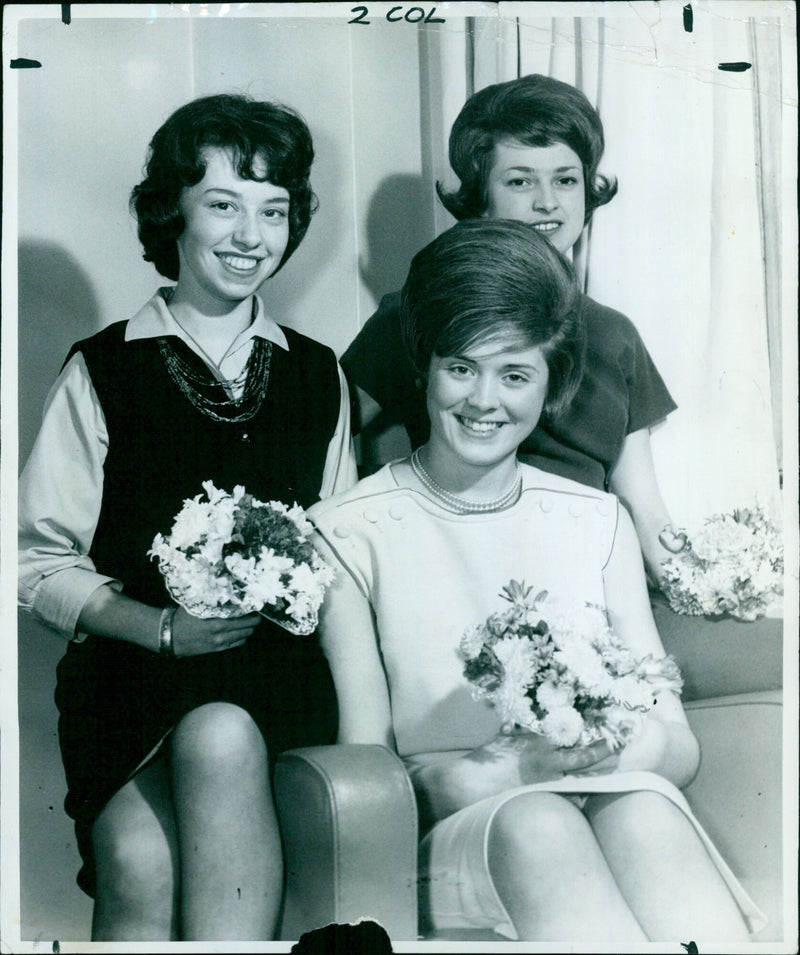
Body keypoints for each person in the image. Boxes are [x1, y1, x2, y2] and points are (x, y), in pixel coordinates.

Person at [311, 220, 764, 944]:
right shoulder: (346, 531)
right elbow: (372, 786)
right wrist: (514, 770)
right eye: (461, 366)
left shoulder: (598, 520)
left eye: (515, 373)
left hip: (599, 791)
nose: (483, 399)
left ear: (553, 383)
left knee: (646, 811)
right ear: (423, 366)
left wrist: (604, 750)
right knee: (539, 820)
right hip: (462, 828)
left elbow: (677, 748)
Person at [18, 93, 356, 941]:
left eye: (273, 209)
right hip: (132, 675)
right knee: (137, 862)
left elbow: (344, 556)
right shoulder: (101, 368)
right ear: (174, 212)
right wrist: (163, 629)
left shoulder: (321, 376)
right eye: (223, 204)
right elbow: (33, 563)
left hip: (274, 679)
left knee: (220, 731)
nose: (250, 234)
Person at [340, 74, 782, 700]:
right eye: (520, 181)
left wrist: (708, 587)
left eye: (565, 180)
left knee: (782, 653)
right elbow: (331, 442)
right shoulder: (422, 311)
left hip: (600, 593)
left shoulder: (614, 334)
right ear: (478, 197)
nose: (548, 201)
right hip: (471, 595)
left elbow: (644, 506)